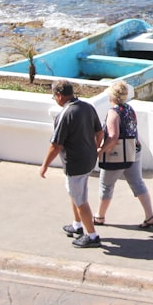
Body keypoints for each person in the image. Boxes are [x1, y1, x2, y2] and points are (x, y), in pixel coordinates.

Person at [39, 80, 104, 248]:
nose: (54, 99)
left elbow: (55, 145)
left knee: (80, 200)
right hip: (88, 159)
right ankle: (77, 225)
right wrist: (94, 148)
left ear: (59, 95)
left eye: (54, 96)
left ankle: (92, 236)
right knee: (75, 194)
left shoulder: (65, 114)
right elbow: (99, 132)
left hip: (75, 164)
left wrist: (45, 165)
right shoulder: (87, 107)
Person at [94, 80, 153, 229]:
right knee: (137, 183)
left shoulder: (113, 112)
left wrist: (100, 151)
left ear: (112, 96)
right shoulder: (129, 109)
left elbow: (113, 136)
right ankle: (150, 216)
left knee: (106, 185)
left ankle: (99, 216)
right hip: (134, 150)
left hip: (118, 155)